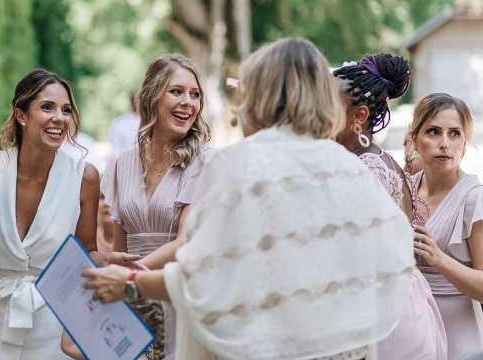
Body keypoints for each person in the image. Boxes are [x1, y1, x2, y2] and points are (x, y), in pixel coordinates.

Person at [83, 38, 415, 360]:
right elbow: (393, 259)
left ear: (260, 97)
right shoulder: (348, 169)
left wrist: (130, 283)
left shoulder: (240, 167)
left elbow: (203, 276)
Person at [0, 69, 102, 359]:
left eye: (66, 110)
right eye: (47, 107)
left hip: (53, 318)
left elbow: (86, 251)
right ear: (21, 115)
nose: (59, 118)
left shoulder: (84, 177)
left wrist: (118, 267)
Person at [334, 55, 447, 359]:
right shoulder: (385, 162)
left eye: (327, 107)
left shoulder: (366, 170)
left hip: (383, 316)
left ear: (359, 116)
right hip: (404, 302)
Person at [100, 53, 211, 359]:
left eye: (195, 94)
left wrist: (133, 278)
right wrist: (115, 283)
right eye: (177, 91)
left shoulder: (203, 163)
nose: (188, 102)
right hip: (129, 297)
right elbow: (118, 244)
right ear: (152, 97)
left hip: (175, 293)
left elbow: (185, 241)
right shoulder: (122, 163)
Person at [410, 93, 483, 360]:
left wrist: (440, 260)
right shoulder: (403, 188)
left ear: (464, 144)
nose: (445, 144)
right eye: (433, 132)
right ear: (415, 139)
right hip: (411, 333)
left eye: (454, 134)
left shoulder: (475, 198)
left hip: (459, 338)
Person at [109, 90, 141, 155]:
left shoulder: (155, 122)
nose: (140, 102)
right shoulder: (120, 123)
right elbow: (116, 150)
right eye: (137, 99)